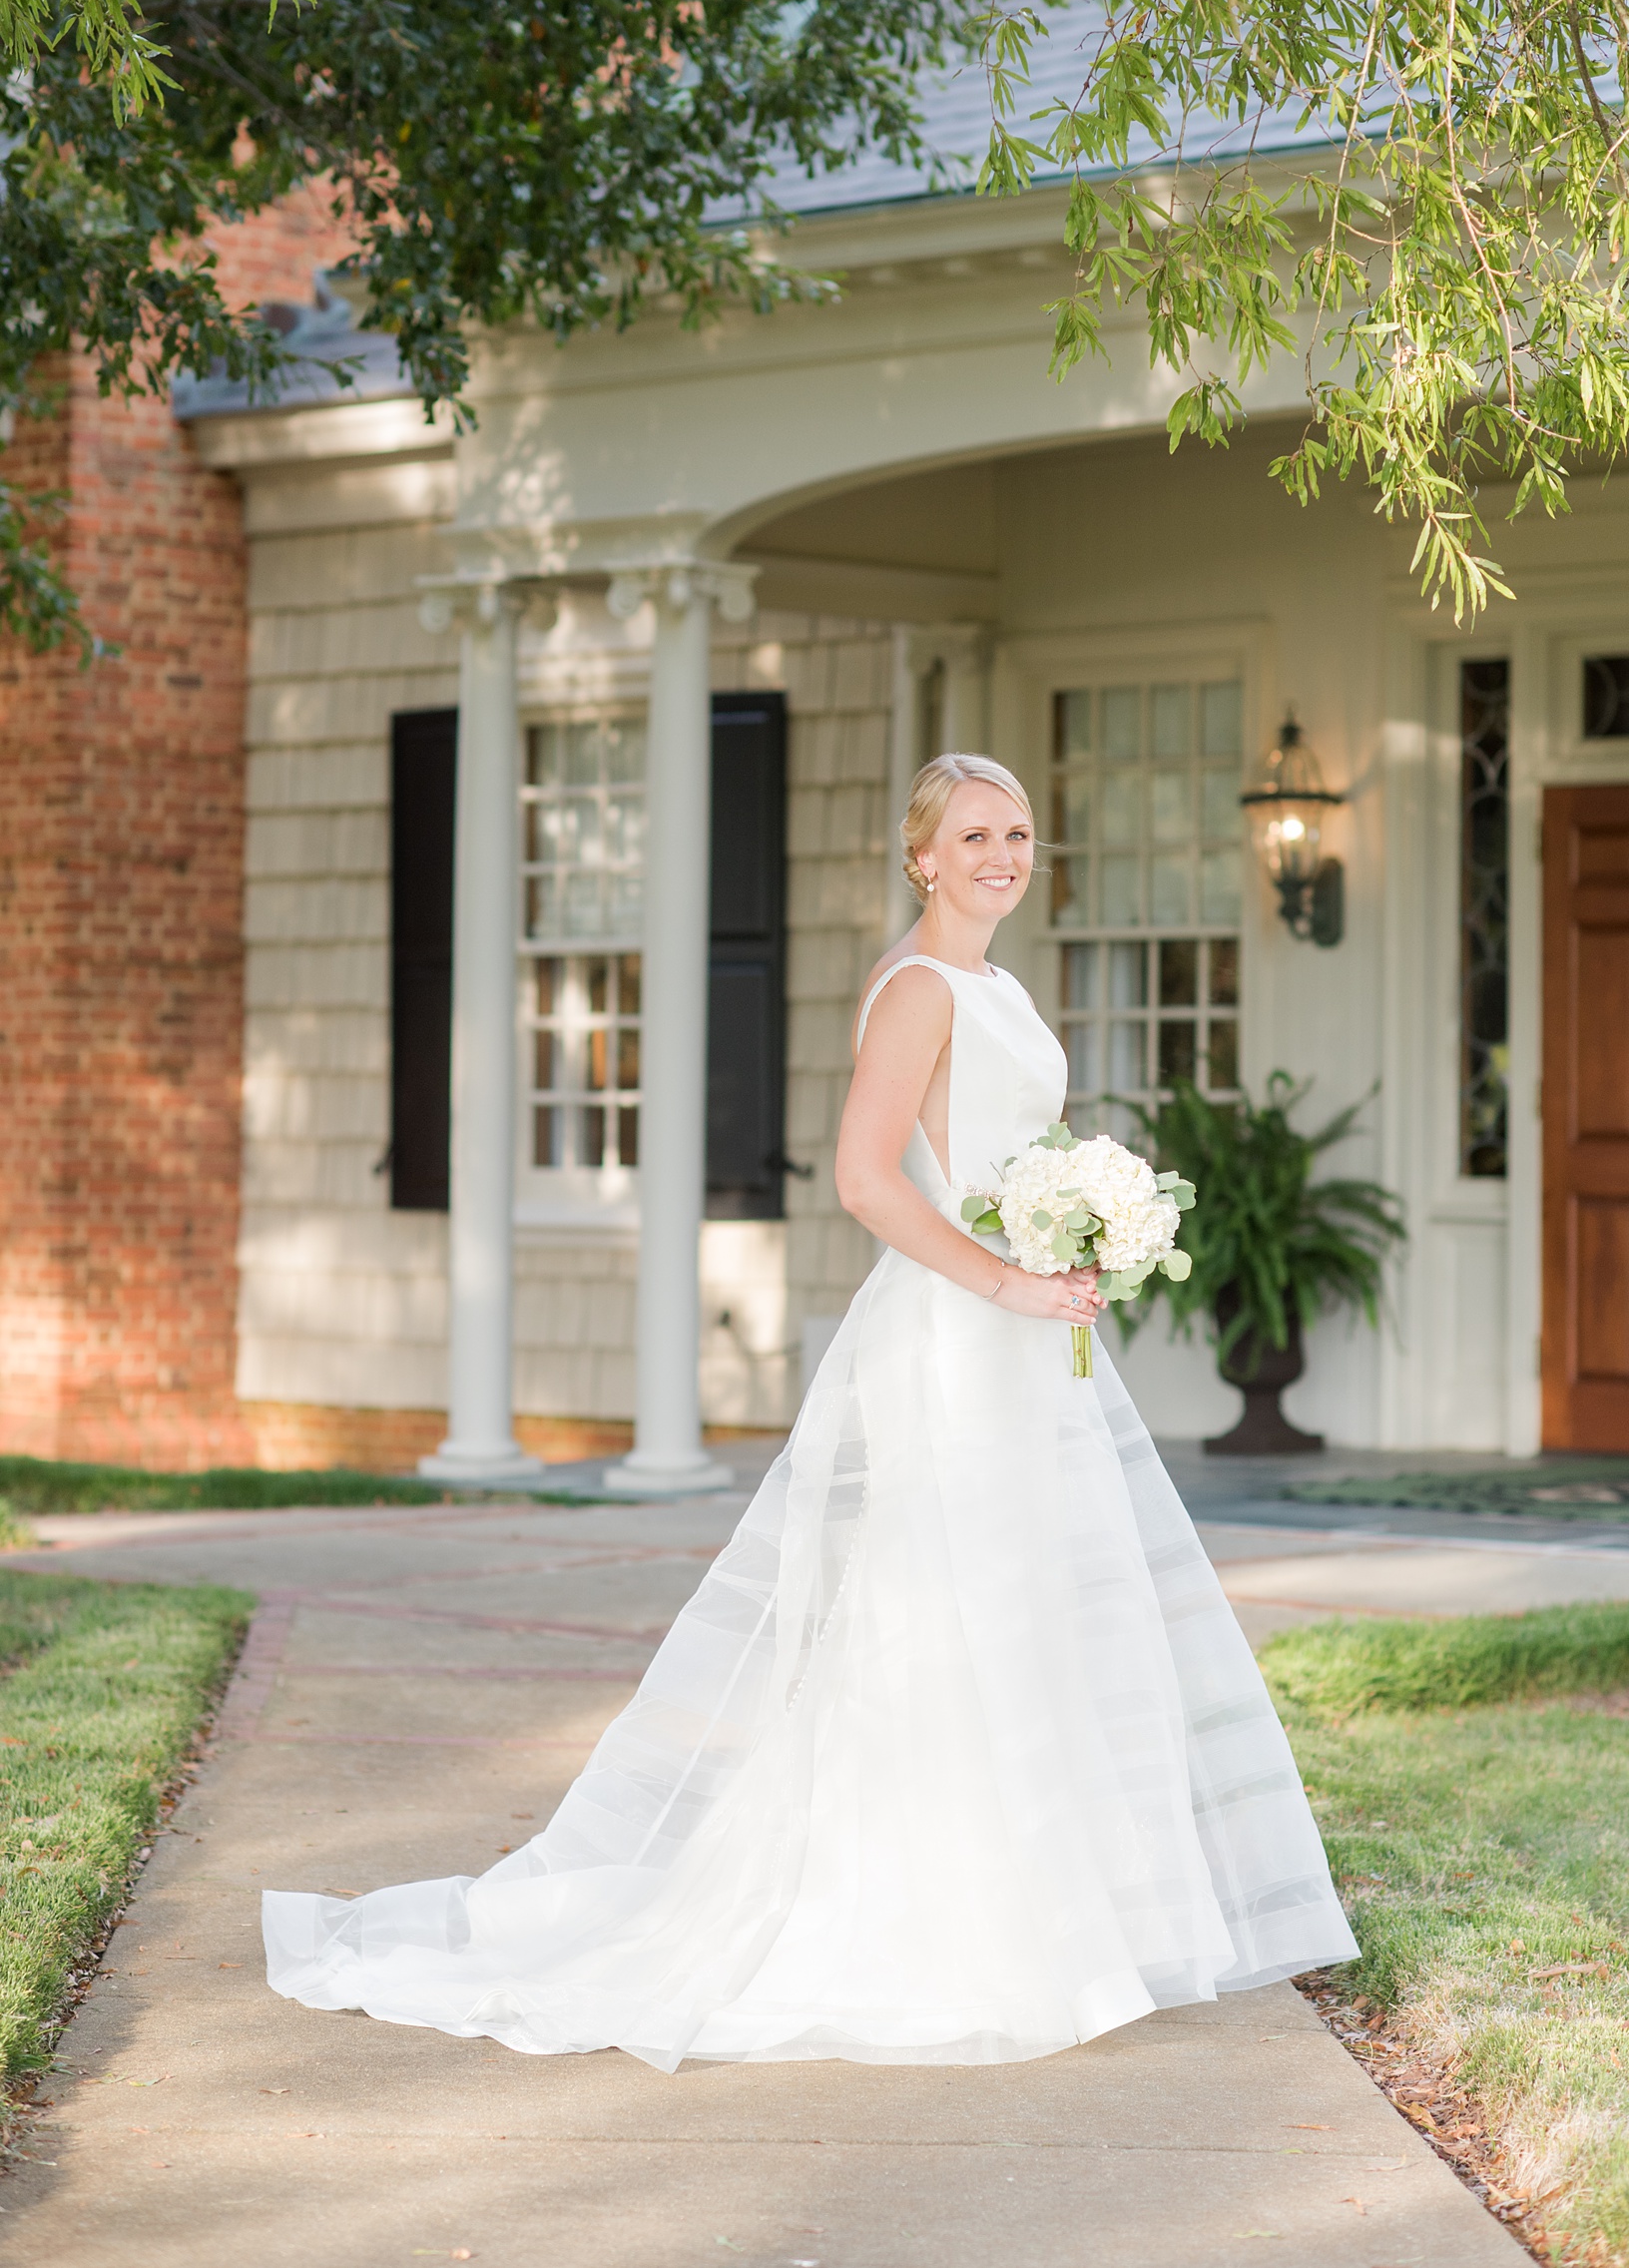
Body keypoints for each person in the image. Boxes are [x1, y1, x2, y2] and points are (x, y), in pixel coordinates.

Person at [264, 752, 1357, 2068]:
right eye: (974, 835)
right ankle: (936, 1925)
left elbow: (993, 1159)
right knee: (947, 1610)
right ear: (924, 858)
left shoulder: (997, 983)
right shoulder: (916, 988)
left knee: (1032, 1609)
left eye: (1016, 833)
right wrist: (1007, 1274)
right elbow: (862, 1176)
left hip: (1019, 1334)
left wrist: (1072, 1241)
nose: (1003, 855)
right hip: (957, 1334)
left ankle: (1057, 1921)